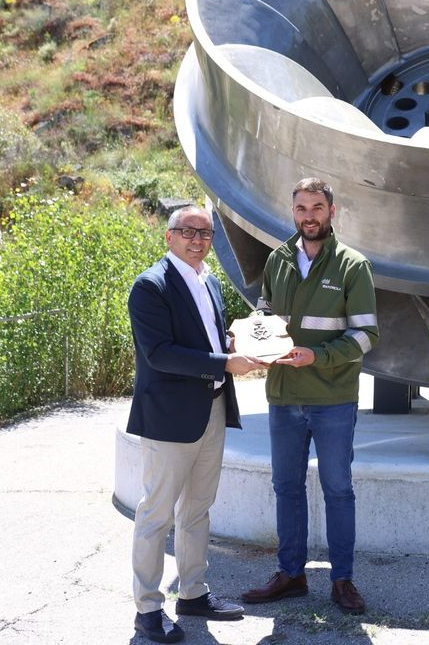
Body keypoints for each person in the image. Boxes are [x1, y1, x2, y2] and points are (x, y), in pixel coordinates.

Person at [241, 178, 380, 615]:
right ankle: (291, 575)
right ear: (293, 212)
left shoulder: (352, 265)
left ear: (331, 212)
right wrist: (250, 338)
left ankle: (342, 580)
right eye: (301, 208)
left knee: (338, 489)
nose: (309, 216)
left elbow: (365, 336)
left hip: (333, 397)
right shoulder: (278, 260)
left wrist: (315, 357)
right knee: (285, 486)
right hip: (283, 395)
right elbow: (264, 315)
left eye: (317, 207)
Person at [127, 206, 265, 643]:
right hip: (170, 417)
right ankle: (148, 609)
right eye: (186, 231)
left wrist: (238, 342)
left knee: (197, 510)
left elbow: (208, 338)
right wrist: (227, 362)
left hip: (213, 409)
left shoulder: (209, 281)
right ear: (169, 237)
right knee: (156, 515)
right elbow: (160, 353)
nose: (197, 239)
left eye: (204, 232)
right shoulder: (151, 286)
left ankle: (192, 593)